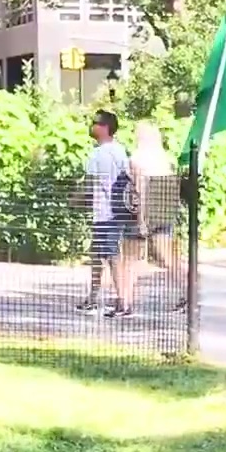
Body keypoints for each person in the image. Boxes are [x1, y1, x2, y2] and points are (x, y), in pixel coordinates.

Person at [77, 110, 131, 315]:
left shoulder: (97, 154)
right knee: (99, 254)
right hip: (118, 210)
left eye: (95, 123)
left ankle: (122, 301)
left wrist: (74, 200)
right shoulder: (120, 150)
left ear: (104, 128)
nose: (92, 126)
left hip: (103, 212)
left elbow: (89, 185)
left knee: (109, 255)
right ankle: (94, 297)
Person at [123, 121, 180, 313]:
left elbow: (139, 190)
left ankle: (125, 303)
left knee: (129, 260)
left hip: (143, 213)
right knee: (169, 258)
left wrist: (141, 220)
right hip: (163, 214)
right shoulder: (165, 160)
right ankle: (187, 296)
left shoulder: (137, 159)